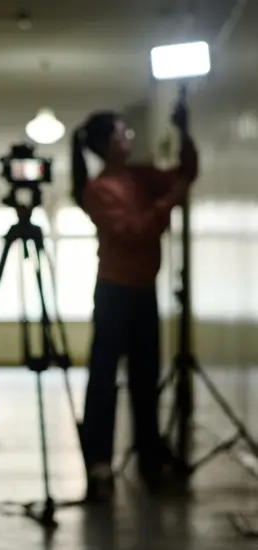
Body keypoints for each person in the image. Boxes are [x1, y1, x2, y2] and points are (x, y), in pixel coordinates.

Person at [71, 103, 198, 501]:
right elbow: (134, 232)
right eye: (122, 133)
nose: (129, 138)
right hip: (114, 293)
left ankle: (149, 458)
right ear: (107, 144)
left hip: (143, 292)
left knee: (146, 380)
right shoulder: (99, 190)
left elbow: (185, 173)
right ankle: (99, 463)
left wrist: (184, 132)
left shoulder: (139, 177)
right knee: (104, 380)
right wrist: (171, 200)